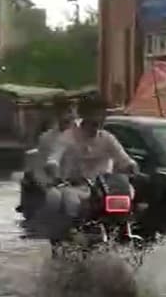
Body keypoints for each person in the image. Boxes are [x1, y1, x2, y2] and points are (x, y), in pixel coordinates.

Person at [41, 94, 138, 243]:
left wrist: (131, 166)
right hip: (76, 188)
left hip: (105, 189)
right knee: (65, 202)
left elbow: (123, 159)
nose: (99, 118)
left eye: (102, 113)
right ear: (84, 114)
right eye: (95, 113)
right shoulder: (68, 137)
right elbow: (54, 157)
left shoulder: (107, 138)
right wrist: (52, 168)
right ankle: (69, 240)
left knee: (129, 197)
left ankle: (125, 232)